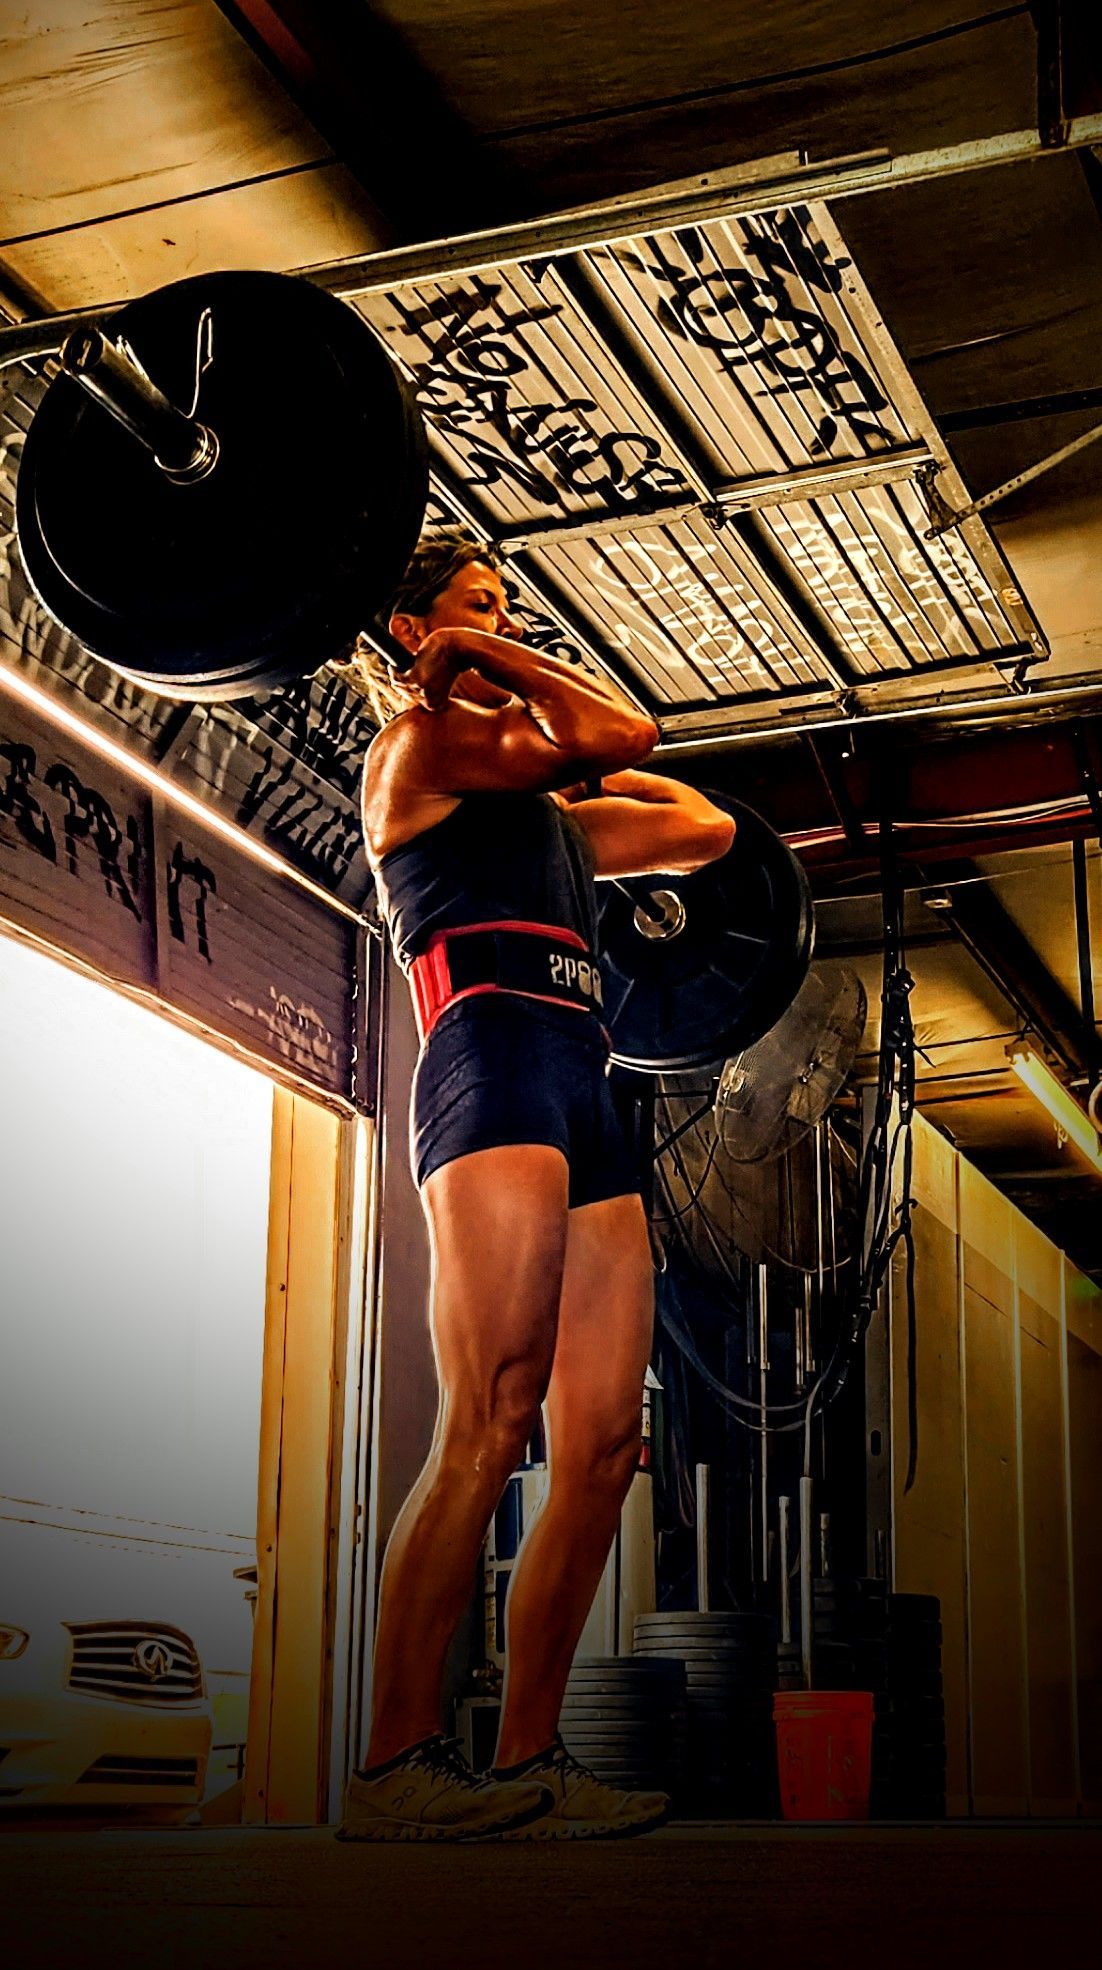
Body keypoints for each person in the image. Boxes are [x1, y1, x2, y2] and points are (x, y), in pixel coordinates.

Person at [339, 532, 735, 1842]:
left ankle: (525, 1759)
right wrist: (480, 670)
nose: (502, 624)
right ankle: (393, 1764)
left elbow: (703, 825)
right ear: (415, 636)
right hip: (491, 1059)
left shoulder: (546, 812)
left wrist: (506, 670)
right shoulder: (422, 751)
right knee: (491, 1419)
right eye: (476, 606)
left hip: (581, 1073)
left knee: (605, 1446)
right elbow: (618, 719)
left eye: (508, 608)